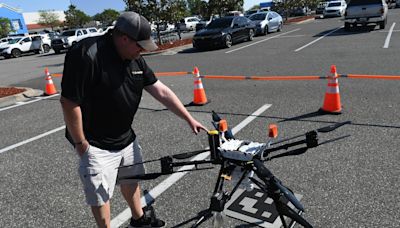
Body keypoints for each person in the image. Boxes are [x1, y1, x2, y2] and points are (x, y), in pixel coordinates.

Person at [60, 11, 207, 228]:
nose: (142, 51)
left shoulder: (134, 58)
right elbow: (69, 102)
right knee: (101, 195)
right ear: (123, 38)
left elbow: (161, 91)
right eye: (140, 45)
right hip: (95, 144)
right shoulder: (86, 54)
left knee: (132, 180)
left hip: (125, 137)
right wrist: (81, 144)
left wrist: (188, 118)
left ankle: (139, 219)